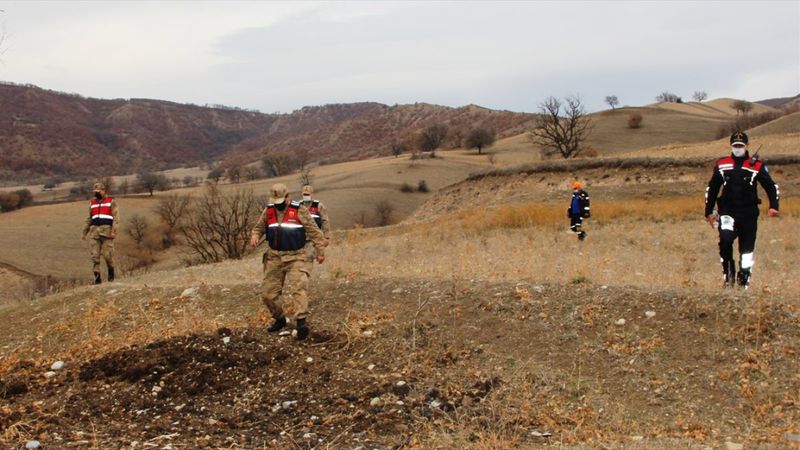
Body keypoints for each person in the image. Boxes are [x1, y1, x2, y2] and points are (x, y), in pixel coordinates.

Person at [250, 183, 327, 340]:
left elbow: (315, 232)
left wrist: (320, 252)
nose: (278, 204)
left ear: (287, 197)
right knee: (268, 294)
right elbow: (258, 228)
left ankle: (301, 323)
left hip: (296, 256)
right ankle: (280, 319)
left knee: (299, 287)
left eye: (281, 201)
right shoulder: (268, 211)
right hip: (274, 257)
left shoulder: (299, 210)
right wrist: (255, 236)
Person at [705, 131, 780, 289]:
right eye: (735, 145)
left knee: (746, 250)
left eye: (740, 145)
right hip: (727, 212)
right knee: (725, 240)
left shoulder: (757, 166)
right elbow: (712, 188)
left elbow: (771, 186)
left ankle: (744, 280)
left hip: (748, 215)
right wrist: (709, 211)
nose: (737, 148)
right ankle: (728, 277)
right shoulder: (722, 164)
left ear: (747, 146)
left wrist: (774, 206)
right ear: (731, 146)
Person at [81, 181, 119, 284]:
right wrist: (84, 232)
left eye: (98, 191)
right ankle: (97, 279)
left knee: (108, 256)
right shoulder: (92, 203)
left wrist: (114, 231)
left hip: (107, 233)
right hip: (94, 233)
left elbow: (116, 218)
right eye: (95, 191)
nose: (96, 193)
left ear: (103, 191)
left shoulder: (111, 202)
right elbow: (89, 219)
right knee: (95, 256)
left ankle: (111, 275)